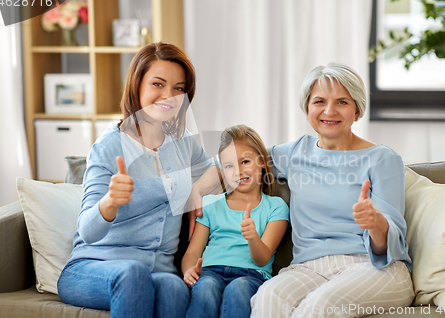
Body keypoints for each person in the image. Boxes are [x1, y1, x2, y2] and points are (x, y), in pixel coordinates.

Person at [57, 42, 219, 318]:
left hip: (157, 271)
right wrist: (110, 202)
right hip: (94, 269)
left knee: (173, 286)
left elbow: (219, 169)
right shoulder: (108, 147)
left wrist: (196, 191)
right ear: (137, 85)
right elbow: (87, 231)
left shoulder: (182, 143)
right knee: (133, 273)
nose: (169, 95)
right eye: (158, 84)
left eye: (179, 88)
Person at [250, 63, 414, 318]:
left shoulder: (382, 158)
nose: (329, 111)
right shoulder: (294, 153)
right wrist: (194, 193)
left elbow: (387, 247)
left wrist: (375, 223)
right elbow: (236, 161)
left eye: (342, 102)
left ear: (357, 110)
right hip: (308, 268)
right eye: (319, 101)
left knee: (319, 306)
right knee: (268, 297)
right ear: (307, 108)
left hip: (374, 267)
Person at [182, 125, 290, 318]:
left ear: (263, 162)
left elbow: (262, 258)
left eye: (245, 161)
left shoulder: (276, 207)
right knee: (205, 287)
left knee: (238, 289)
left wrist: (252, 237)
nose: (238, 171)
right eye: (229, 166)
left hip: (252, 275)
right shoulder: (211, 204)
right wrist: (189, 270)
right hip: (209, 271)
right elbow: (192, 253)